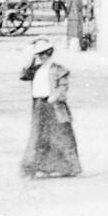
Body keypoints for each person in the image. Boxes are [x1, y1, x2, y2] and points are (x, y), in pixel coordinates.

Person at [19, 38, 82, 179]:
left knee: (61, 137)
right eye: (38, 54)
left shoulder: (58, 69)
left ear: (49, 53)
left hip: (54, 106)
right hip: (39, 106)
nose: (40, 57)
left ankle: (69, 167)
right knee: (37, 137)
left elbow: (63, 87)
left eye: (42, 54)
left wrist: (56, 96)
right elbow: (23, 76)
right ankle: (32, 167)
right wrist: (29, 60)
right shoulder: (35, 70)